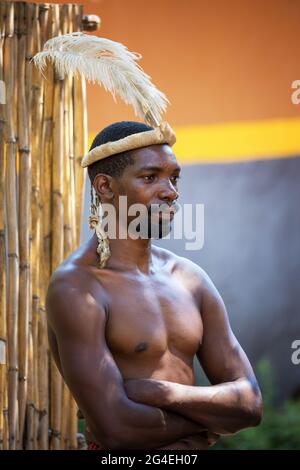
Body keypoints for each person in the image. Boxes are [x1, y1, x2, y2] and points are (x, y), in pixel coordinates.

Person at [46, 121, 263, 450]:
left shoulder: (189, 279)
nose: (170, 192)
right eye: (150, 178)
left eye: (174, 177)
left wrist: (159, 393)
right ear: (105, 187)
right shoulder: (78, 288)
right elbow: (116, 430)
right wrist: (210, 421)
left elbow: (249, 405)